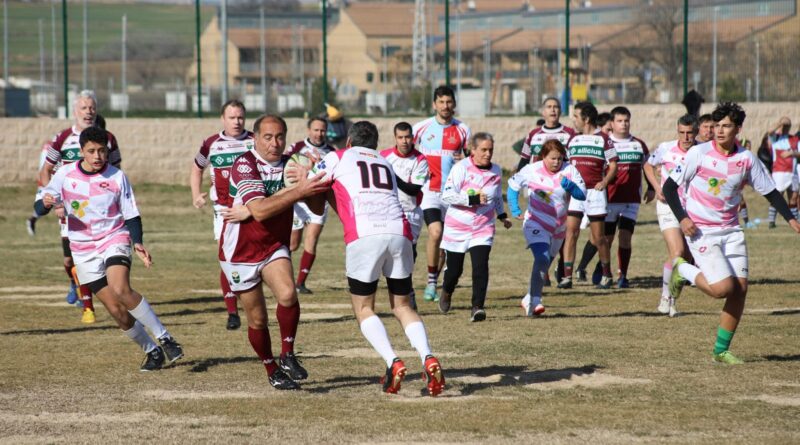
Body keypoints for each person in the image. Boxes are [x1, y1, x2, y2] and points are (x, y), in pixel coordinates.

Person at [36, 126, 183, 371]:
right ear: (81, 151)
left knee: (120, 288)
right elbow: (40, 207)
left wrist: (137, 242)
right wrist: (46, 203)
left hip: (114, 238)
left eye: (102, 151)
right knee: (115, 310)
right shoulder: (64, 174)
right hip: (82, 249)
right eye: (91, 151)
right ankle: (152, 351)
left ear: (108, 151)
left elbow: (132, 215)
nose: (97, 156)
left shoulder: (117, 177)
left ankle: (165, 338)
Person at [663, 102, 800, 364]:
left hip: (732, 230)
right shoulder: (698, 153)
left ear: (738, 128)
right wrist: (682, 218)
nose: (719, 131)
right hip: (702, 231)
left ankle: (721, 350)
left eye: (726, 126)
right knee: (722, 289)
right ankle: (682, 271)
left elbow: (769, 191)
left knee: (740, 290)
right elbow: (670, 188)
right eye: (716, 126)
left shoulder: (746, 159)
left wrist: (791, 220)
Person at [317, 120, 445, 396]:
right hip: (400, 233)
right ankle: (428, 356)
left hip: (365, 235)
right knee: (402, 305)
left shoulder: (338, 156)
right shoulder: (385, 161)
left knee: (364, 307)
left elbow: (313, 182)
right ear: (375, 143)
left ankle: (392, 361)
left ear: (349, 141)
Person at [219, 115, 329, 390]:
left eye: (280, 136)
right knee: (258, 319)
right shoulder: (244, 164)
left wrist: (310, 183)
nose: (275, 143)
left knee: (289, 294)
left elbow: (316, 209)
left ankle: (288, 353)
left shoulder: (294, 163)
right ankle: (272, 368)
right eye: (267, 137)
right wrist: (296, 192)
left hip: (272, 245)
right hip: (239, 252)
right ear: (254, 138)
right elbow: (260, 209)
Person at [39, 91, 121, 323]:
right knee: (71, 261)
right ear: (75, 111)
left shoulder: (108, 138)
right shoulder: (62, 138)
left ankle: (91, 306)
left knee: (104, 257)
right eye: (84, 108)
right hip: (71, 210)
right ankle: (81, 294)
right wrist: (55, 200)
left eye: (92, 107)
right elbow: (45, 171)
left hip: (102, 210)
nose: (88, 112)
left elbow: (117, 173)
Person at [190, 99, 253, 330]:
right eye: (232, 117)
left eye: (240, 117)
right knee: (227, 259)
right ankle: (232, 313)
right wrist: (196, 194)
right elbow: (197, 167)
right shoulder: (212, 144)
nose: (236, 121)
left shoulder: (254, 141)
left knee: (255, 257)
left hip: (251, 208)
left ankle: (252, 303)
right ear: (222, 119)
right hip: (224, 210)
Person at [437, 132, 512, 321]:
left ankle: (477, 307)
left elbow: (495, 196)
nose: (488, 154)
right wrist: (471, 199)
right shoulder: (461, 168)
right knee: (455, 270)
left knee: (480, 266)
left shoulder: (496, 170)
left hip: (483, 227)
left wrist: (502, 215)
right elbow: (446, 196)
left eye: (491, 150)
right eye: (484, 150)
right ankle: (446, 291)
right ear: (473, 149)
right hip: (457, 227)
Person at [576, 107, 654, 288]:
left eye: (626, 120)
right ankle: (597, 268)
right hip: (609, 199)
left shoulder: (639, 144)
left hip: (630, 201)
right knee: (605, 239)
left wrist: (651, 188)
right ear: (612, 123)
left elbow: (648, 168)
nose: (624, 124)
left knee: (625, 238)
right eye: (620, 121)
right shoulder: (604, 143)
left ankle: (623, 276)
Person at [509, 140, 586, 316]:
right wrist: (514, 208)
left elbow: (582, 194)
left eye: (559, 158)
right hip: (535, 222)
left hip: (559, 227)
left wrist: (571, 186)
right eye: (552, 158)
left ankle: (529, 298)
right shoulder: (531, 170)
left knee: (544, 265)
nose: (556, 162)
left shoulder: (569, 170)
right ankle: (536, 301)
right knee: (542, 258)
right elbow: (513, 186)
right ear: (543, 156)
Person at [413, 86, 471, 303]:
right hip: (430, 191)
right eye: (441, 102)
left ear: (454, 104)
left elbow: (470, 161)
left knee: (446, 244)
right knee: (435, 233)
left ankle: (434, 280)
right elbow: (409, 154)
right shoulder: (421, 128)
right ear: (434, 104)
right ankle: (430, 284)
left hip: (453, 194)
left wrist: (463, 162)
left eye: (449, 102)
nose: (445, 106)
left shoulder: (463, 130)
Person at [643, 114, 698, 317]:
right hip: (667, 206)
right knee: (677, 252)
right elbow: (648, 165)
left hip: (692, 209)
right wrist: (657, 187)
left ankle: (673, 299)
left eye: (690, 133)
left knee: (685, 258)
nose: (685, 137)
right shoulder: (666, 148)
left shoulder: (701, 151)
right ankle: (665, 297)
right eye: (682, 132)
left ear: (696, 132)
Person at [559, 101, 618, 289]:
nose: (573, 120)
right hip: (577, 193)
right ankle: (567, 277)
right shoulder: (573, 139)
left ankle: (607, 275)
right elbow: (565, 165)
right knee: (571, 232)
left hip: (595, 193)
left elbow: (613, 165)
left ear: (586, 119)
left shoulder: (603, 139)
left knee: (599, 237)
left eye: (576, 116)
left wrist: (605, 181)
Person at [380, 122, 429, 310]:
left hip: (411, 213)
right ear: (395, 138)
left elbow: (412, 189)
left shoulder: (420, 160)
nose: (404, 141)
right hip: (388, 212)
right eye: (400, 137)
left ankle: (407, 291)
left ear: (413, 138)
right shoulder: (384, 157)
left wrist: (392, 174)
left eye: (408, 137)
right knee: (388, 253)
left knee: (408, 255)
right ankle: (400, 292)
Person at [286, 117, 337, 294]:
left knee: (312, 239)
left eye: (322, 130)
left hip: (319, 200)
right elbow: (285, 166)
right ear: (309, 130)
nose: (319, 133)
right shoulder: (297, 147)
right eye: (315, 130)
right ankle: (284, 279)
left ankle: (300, 283)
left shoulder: (331, 152)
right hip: (298, 201)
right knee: (292, 244)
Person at [516, 97, 576, 171]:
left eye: (556, 107)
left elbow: (574, 162)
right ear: (543, 112)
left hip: (560, 180)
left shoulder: (570, 134)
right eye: (549, 107)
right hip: (536, 180)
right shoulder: (533, 134)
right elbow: (524, 160)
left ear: (560, 111)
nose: (553, 110)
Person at [764, 117, 799, 228]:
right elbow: (769, 131)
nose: (785, 127)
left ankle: (795, 222)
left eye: (787, 125)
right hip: (779, 172)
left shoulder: (794, 139)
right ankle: (771, 222)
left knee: (793, 197)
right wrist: (779, 123)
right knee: (778, 196)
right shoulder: (775, 138)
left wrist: (792, 153)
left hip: (792, 173)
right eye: (784, 125)